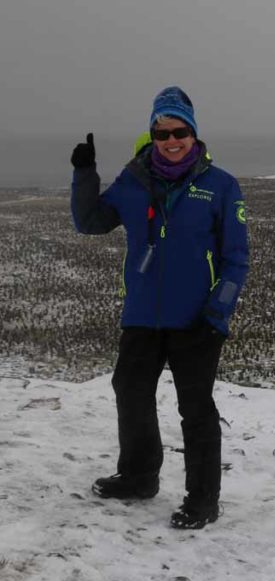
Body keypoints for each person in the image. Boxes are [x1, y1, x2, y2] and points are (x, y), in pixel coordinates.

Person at [71, 86, 249, 529]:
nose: (171, 140)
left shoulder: (220, 185)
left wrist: (217, 314)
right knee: (130, 392)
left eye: (179, 131)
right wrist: (84, 172)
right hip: (142, 315)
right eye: (162, 132)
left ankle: (203, 500)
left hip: (196, 319)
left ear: (193, 133)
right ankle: (138, 476)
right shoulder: (133, 182)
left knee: (196, 408)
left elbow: (236, 258)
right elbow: (90, 222)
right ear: (152, 134)